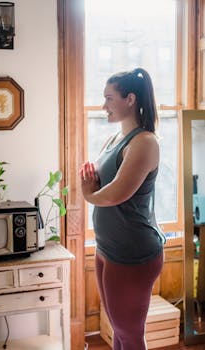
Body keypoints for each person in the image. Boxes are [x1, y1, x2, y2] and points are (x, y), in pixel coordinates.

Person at [80, 67, 166, 350]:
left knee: (129, 335)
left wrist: (88, 194)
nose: (103, 105)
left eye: (109, 98)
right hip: (107, 248)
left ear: (130, 99)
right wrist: (91, 184)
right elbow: (103, 184)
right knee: (118, 331)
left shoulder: (145, 142)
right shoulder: (115, 139)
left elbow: (115, 194)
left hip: (132, 254)